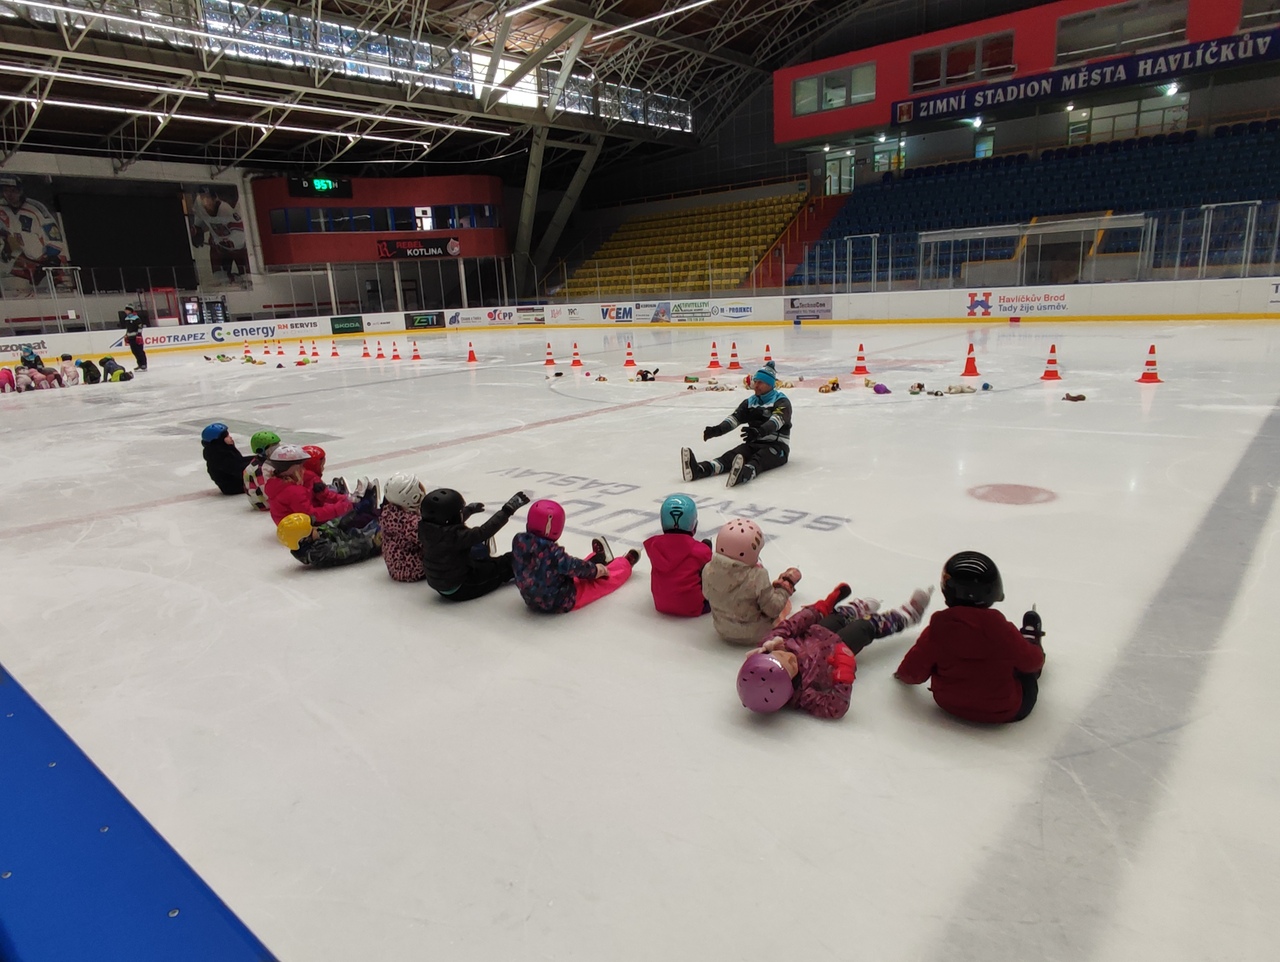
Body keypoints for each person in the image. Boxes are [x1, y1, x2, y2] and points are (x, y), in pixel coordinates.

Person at [737, 583, 934, 719]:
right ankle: (906, 616)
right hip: (839, 651)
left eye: (780, 656)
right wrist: (843, 674)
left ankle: (856, 609)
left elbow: (792, 625)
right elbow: (834, 708)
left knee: (838, 617)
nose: (790, 657)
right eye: (791, 666)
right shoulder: (804, 694)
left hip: (817, 631)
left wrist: (817, 610)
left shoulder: (772, 643)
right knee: (867, 627)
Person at [894, 551, 1046, 724]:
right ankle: (1030, 638)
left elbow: (913, 670)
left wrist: (901, 675)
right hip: (1005, 710)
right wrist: (1033, 650)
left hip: (949, 704)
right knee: (1026, 671)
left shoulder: (939, 628)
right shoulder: (1000, 629)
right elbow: (1032, 662)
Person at [511, 499, 640, 614]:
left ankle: (597, 557)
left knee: (566, 568)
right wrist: (596, 571)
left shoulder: (519, 542)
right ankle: (624, 564)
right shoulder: (554, 554)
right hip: (561, 601)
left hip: (532, 600)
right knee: (598, 582)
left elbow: (561, 564)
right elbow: (575, 567)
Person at [681, 362, 792, 488]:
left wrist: (759, 431)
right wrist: (718, 430)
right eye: (755, 382)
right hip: (754, 443)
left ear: (770, 384)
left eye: (760, 382)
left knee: (759, 459)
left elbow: (776, 421)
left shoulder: (781, 401)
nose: (755, 386)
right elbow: (735, 419)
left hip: (777, 447)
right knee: (731, 456)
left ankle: (744, 474)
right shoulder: (750, 402)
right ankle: (700, 470)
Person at [701, 518, 801, 646]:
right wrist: (785, 588)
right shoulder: (758, 576)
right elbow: (773, 609)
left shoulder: (708, 569)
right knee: (784, 605)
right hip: (756, 634)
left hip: (722, 629)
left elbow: (707, 594)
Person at [420, 487, 530, 601]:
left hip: (441, 582)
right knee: (505, 564)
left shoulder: (425, 529)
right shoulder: (454, 536)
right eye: (460, 512)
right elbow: (483, 532)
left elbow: (449, 520)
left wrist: (468, 510)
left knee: (478, 550)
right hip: (462, 587)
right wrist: (508, 510)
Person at [263, 443, 375, 527]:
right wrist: (343, 507)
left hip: (288, 525)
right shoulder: (294, 491)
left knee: (333, 503)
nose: (303, 469)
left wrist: (344, 500)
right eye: (301, 466)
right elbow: (312, 515)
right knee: (355, 519)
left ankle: (351, 500)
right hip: (299, 529)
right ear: (293, 468)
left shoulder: (275, 482)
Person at [642, 493, 713, 617]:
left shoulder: (653, 546)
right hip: (694, 607)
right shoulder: (700, 550)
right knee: (707, 550)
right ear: (694, 525)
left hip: (660, 604)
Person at [0, 173, 69, 298]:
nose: (9, 194)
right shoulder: (2, 208)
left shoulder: (36, 208)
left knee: (55, 290)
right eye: (6, 190)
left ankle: (59, 283)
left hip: (44, 259)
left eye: (13, 190)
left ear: (20, 190)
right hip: (22, 259)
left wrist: (51, 258)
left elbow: (54, 236)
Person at [276, 513, 381, 569]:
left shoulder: (315, 538)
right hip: (366, 545)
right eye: (312, 529)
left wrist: (353, 513)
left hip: (350, 536)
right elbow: (348, 550)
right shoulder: (320, 552)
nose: (316, 528)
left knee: (359, 518)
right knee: (376, 527)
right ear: (305, 540)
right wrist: (372, 542)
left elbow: (328, 526)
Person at [190, 186, 249, 286]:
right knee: (220, 279)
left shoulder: (232, 208)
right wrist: (197, 232)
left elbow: (243, 227)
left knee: (249, 279)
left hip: (241, 248)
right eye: (203, 197)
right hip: (219, 248)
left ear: (215, 198)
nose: (205, 202)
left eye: (207, 198)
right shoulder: (199, 203)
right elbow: (198, 223)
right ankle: (233, 280)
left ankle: (237, 279)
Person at [379, 473, 428, 583]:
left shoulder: (391, 511)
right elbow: (429, 540)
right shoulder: (409, 523)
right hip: (410, 567)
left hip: (396, 564)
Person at [201, 423, 254, 496]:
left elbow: (239, 461)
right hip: (233, 486)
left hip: (236, 480)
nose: (230, 437)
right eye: (227, 436)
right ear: (219, 440)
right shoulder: (218, 455)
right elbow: (238, 469)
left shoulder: (223, 449)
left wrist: (257, 458)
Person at [243, 430, 281, 511]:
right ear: (262, 450)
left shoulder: (265, 461)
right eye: (274, 446)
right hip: (264, 503)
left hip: (265, 499)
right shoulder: (260, 469)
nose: (278, 448)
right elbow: (266, 491)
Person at [120, 305, 148, 372]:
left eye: (126, 310)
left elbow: (140, 327)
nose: (125, 311)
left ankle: (143, 364)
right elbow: (128, 328)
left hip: (136, 337)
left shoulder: (136, 318)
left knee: (139, 351)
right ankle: (139, 364)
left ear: (130, 310)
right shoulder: (126, 318)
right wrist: (126, 335)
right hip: (130, 338)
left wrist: (139, 335)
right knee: (134, 351)